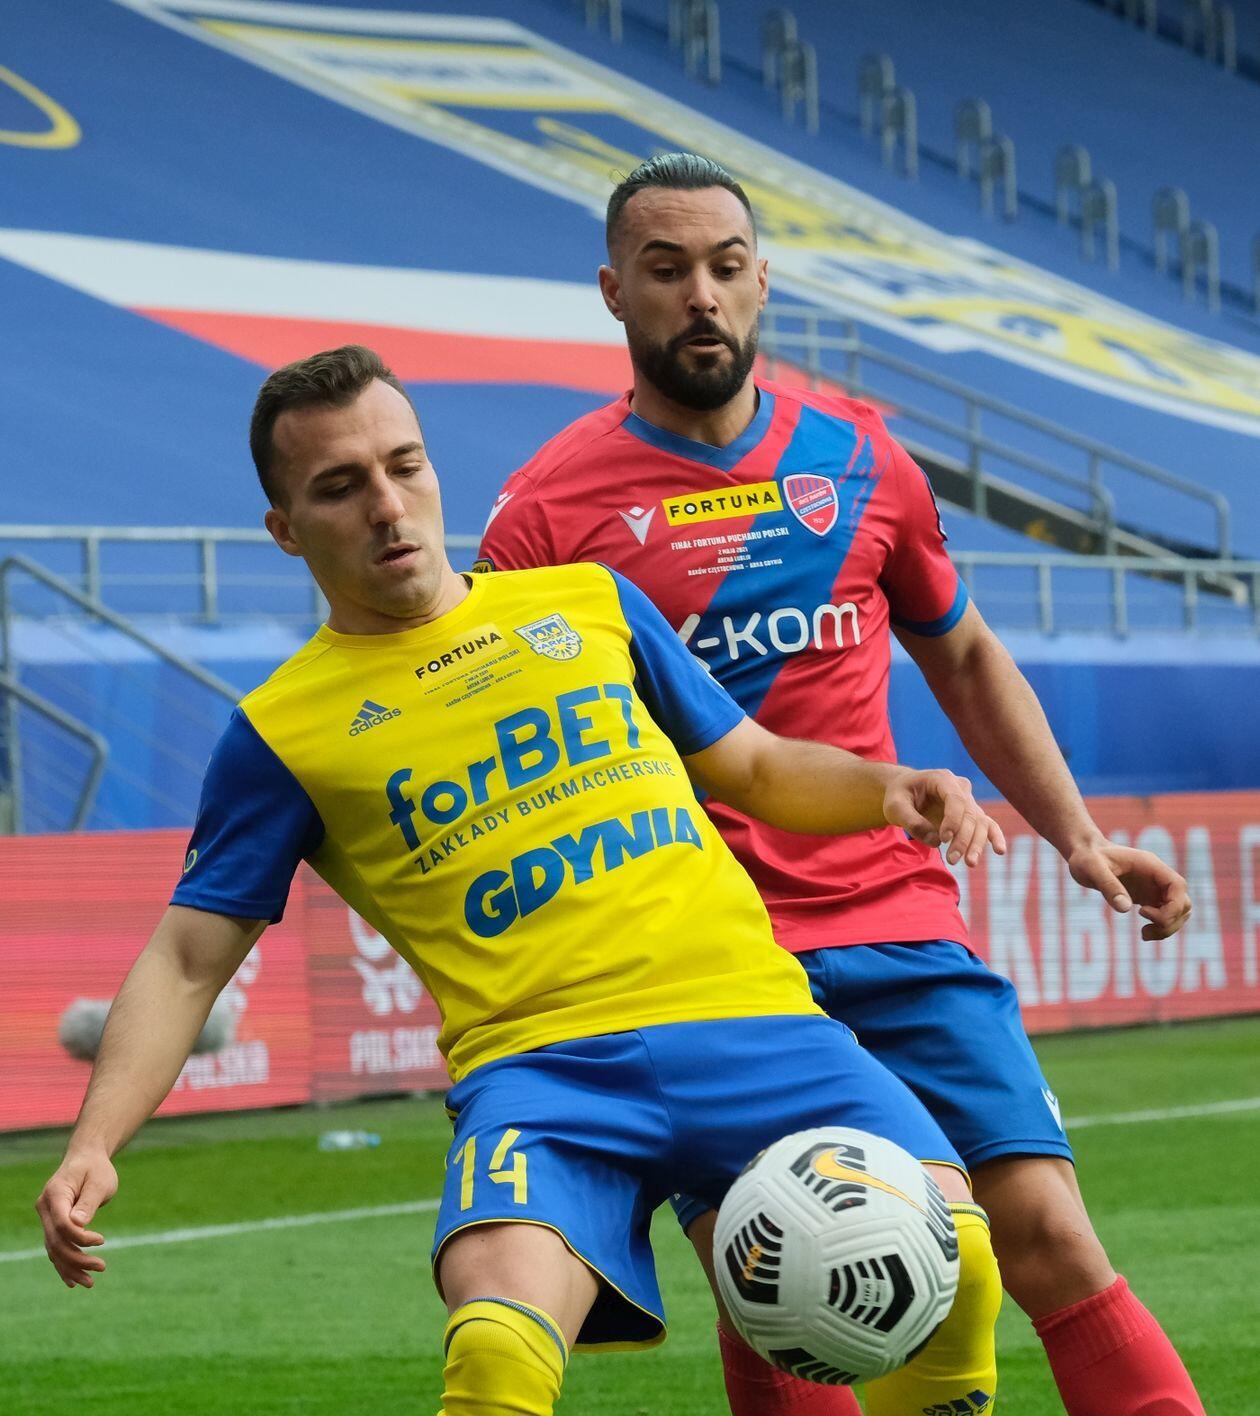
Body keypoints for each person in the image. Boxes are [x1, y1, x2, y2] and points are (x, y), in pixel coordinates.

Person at [36, 345, 1009, 1416]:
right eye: (340, 487)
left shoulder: (592, 604)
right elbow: (186, 960)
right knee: (497, 1351)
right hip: (545, 1077)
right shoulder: (279, 733)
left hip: (757, 1024)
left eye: (404, 466)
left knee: (957, 1255)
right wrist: (95, 1143)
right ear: (286, 529)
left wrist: (888, 788)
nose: (387, 506)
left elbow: (758, 767)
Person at [476, 153, 1203, 1416]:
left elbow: (963, 653)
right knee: (776, 1288)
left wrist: (1077, 836)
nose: (700, 296)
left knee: (1046, 1235)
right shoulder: (545, 517)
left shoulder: (861, 460)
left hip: (897, 922)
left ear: (763, 280)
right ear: (614, 292)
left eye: (724, 267)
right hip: (706, 961)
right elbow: (504, 747)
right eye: (665, 270)